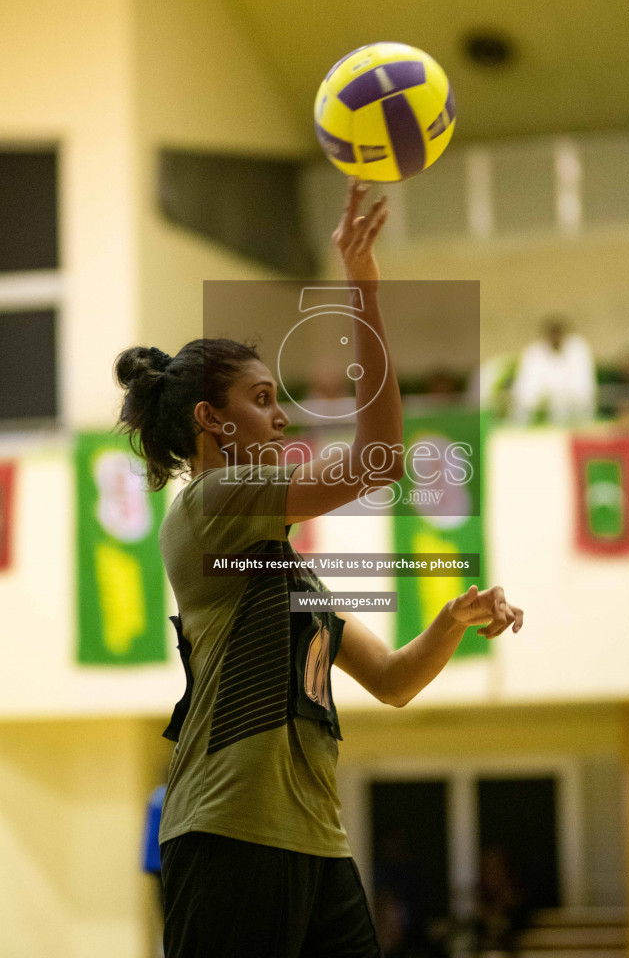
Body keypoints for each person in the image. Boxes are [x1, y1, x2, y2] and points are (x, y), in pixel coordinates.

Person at [113, 180, 523, 958]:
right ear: (209, 418)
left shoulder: (286, 573)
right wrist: (362, 289)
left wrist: (449, 623)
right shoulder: (210, 502)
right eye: (263, 399)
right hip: (230, 828)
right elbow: (379, 459)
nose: (281, 415)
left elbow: (396, 682)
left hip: (316, 840)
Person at [510, 317, 596, 425]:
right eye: (552, 335)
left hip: (571, 404)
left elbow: (582, 385)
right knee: (528, 399)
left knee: (565, 403)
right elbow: (527, 385)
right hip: (544, 400)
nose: (556, 338)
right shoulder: (534, 353)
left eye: (558, 334)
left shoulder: (577, 350)